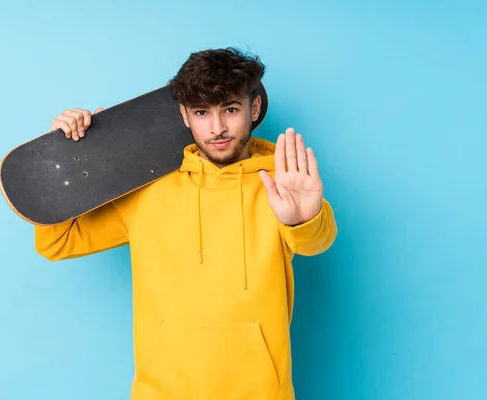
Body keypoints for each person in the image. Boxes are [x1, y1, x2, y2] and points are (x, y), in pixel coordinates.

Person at [35, 47, 337, 399]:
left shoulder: (281, 182)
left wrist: (305, 218)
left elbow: (317, 241)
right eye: (201, 112)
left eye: (231, 109)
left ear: (253, 109)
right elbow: (58, 242)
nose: (217, 127)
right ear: (184, 116)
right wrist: (69, 159)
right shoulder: (147, 190)